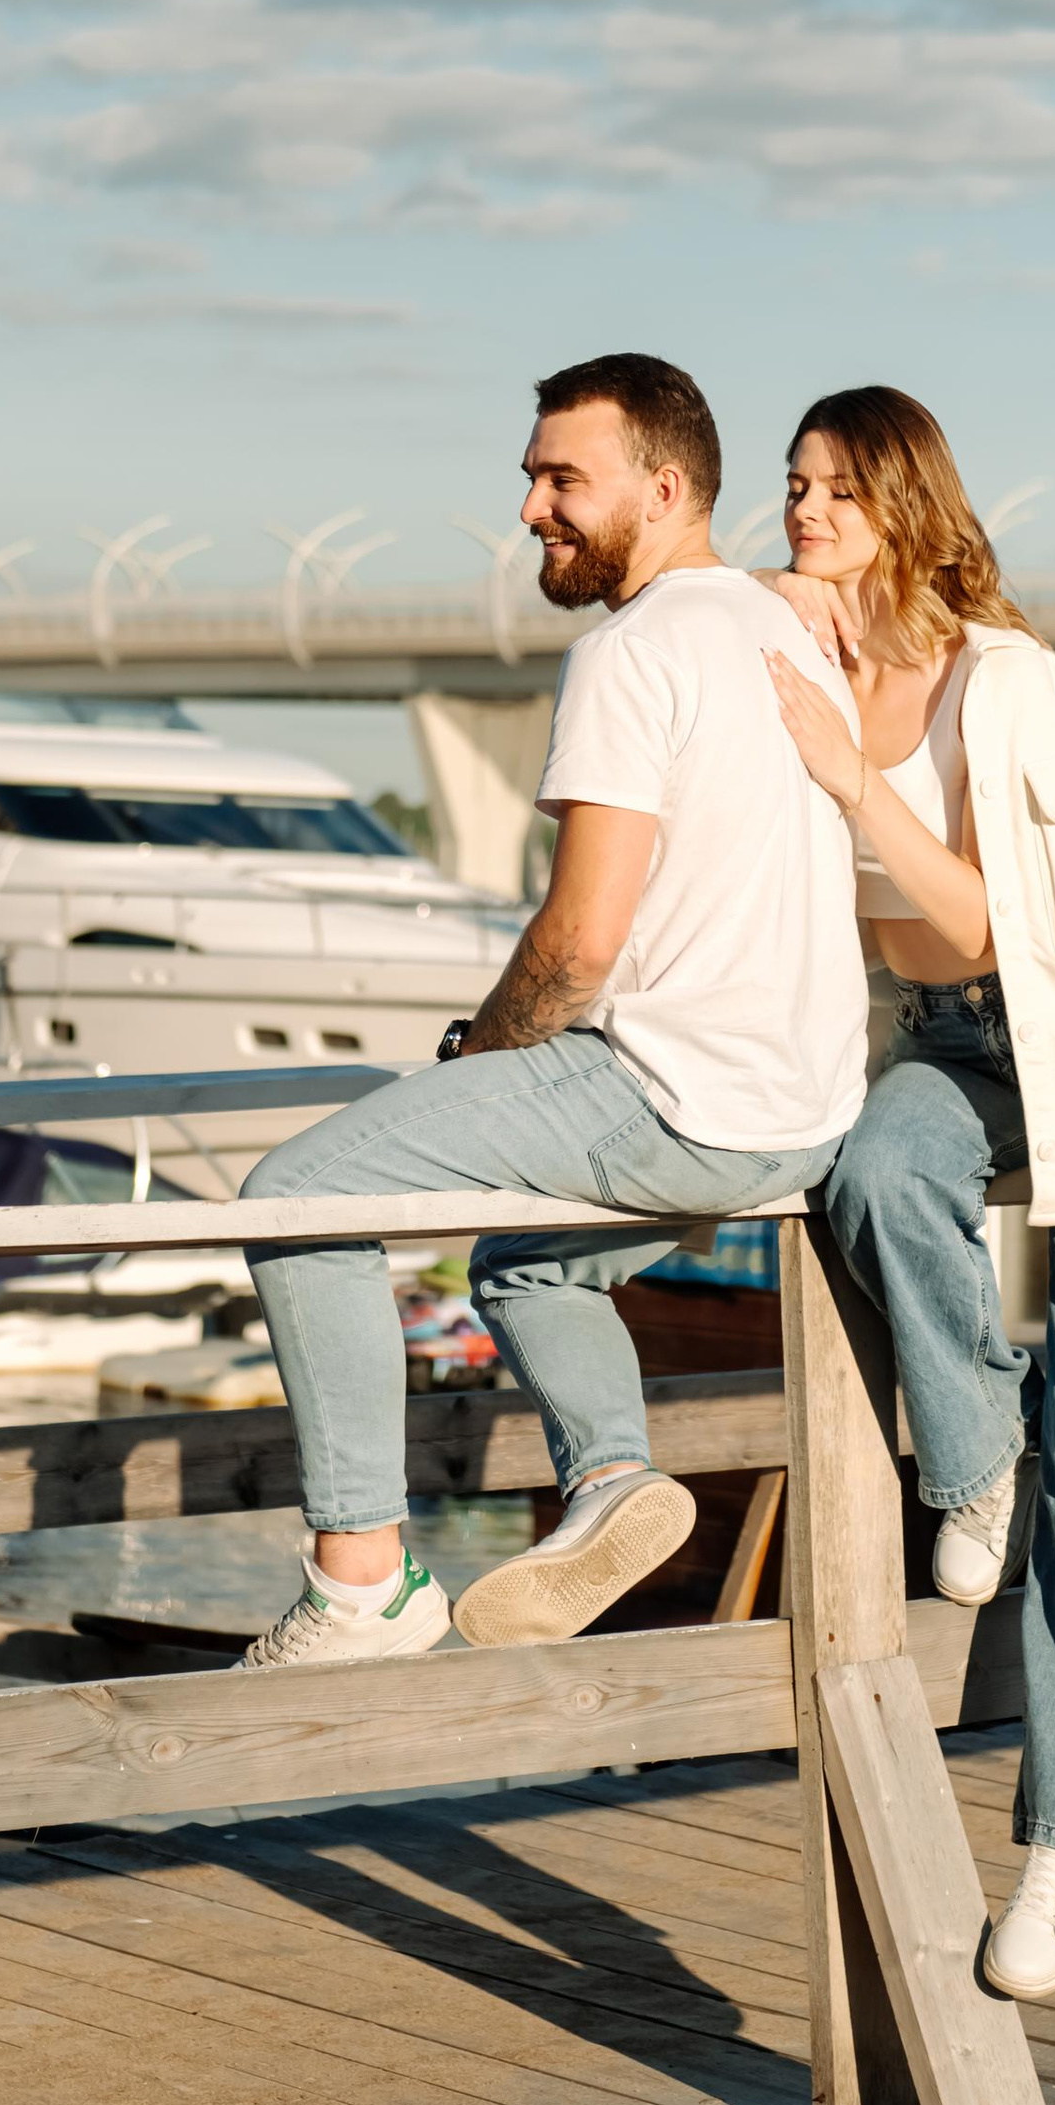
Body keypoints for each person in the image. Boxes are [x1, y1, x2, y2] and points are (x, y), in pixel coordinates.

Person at [234, 350, 868, 1671]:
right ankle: (611, 1480)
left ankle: (360, 1577)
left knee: (295, 1196)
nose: (531, 506)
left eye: (563, 478)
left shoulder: (631, 653)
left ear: (668, 483)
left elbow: (579, 942)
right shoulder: (782, 627)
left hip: (672, 1092)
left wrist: (482, 1054)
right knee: (529, 1261)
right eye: (531, 477)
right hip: (802, 1109)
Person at [757, 383, 1055, 2001]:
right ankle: (973, 1455)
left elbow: (978, 921)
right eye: (793, 484)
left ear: (905, 504)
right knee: (873, 1168)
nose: (804, 510)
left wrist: (848, 775)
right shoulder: (802, 668)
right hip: (948, 1051)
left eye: (835, 490)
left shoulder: (1001, 681)